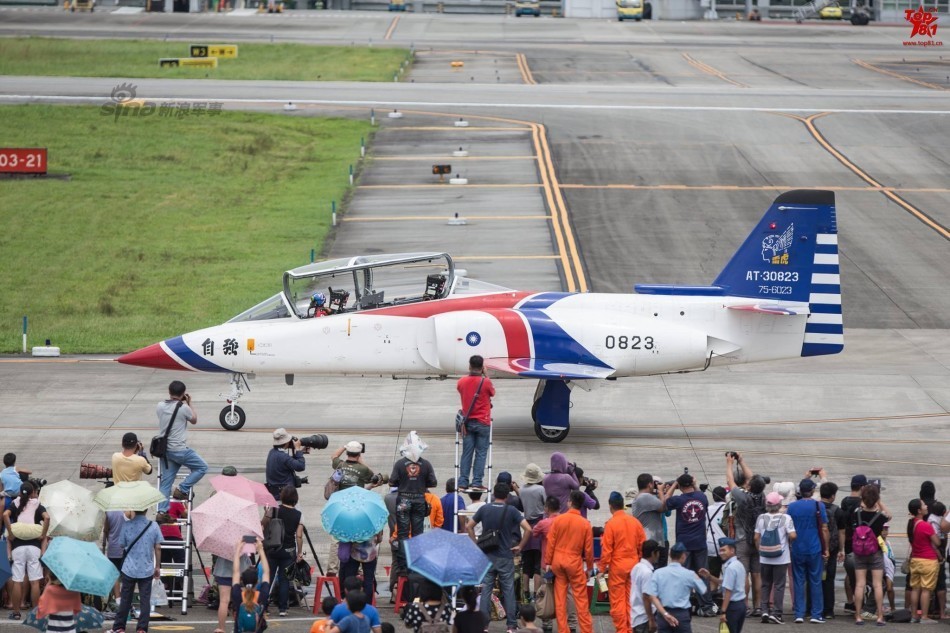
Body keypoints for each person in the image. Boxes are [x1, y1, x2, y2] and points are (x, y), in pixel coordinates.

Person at [467, 483, 530, 633]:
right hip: (505, 556)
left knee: (486, 590)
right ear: (507, 496)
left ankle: (483, 625)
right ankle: (511, 625)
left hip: (487, 555)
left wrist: (476, 545)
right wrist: (520, 546)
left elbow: (469, 526)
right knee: (508, 590)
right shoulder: (512, 511)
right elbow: (528, 529)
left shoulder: (484, 509)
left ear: (494, 494)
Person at [660, 473, 714, 616]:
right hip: (700, 542)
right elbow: (700, 495)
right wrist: (695, 484)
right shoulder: (702, 497)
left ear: (680, 486)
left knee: (682, 575)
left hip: (684, 545)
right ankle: (707, 606)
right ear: (691, 484)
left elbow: (665, 502)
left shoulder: (679, 500)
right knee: (703, 574)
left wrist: (673, 486)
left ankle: (682, 605)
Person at [156, 380, 207, 523]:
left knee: (165, 484)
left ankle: (161, 511)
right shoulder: (184, 408)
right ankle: (182, 489)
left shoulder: (160, 406)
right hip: (179, 449)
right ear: (183, 394)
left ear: (169, 391)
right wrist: (189, 403)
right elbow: (194, 420)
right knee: (202, 467)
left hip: (166, 451)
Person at [544, 490, 594, 633]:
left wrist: (548, 562)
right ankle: (586, 630)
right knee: (581, 600)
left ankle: (563, 630)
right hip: (574, 562)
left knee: (560, 600)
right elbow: (589, 550)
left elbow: (551, 542)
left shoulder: (559, 520)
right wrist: (589, 568)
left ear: (570, 502)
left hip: (558, 562)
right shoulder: (585, 524)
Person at [389, 432, 437, 575]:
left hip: (403, 499)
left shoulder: (399, 463)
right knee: (418, 533)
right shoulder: (426, 464)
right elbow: (433, 482)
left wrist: (404, 482)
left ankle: (404, 566)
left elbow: (392, 481)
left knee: (403, 534)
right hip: (419, 500)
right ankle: (416, 564)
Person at [601, 490, 646, 633]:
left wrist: (602, 569)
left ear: (610, 506)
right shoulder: (635, 522)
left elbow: (607, 549)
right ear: (623, 505)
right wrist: (639, 561)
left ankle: (622, 630)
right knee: (631, 600)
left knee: (617, 602)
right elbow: (642, 545)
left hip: (618, 566)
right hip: (633, 565)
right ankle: (631, 628)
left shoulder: (611, 524)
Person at [725, 454, 765, 617]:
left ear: (748, 486)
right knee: (757, 574)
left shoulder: (743, 497)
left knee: (744, 575)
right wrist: (742, 461)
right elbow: (754, 480)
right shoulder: (762, 497)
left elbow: (730, 482)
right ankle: (758, 606)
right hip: (758, 540)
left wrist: (730, 464)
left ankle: (745, 605)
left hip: (742, 540)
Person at [3, 482, 49, 620]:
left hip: (17, 546)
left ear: (20, 493)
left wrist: (10, 532)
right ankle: (36, 614)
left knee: (17, 580)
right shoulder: (37, 505)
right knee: (35, 581)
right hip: (34, 546)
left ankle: (16, 613)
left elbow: (5, 515)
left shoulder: (15, 504)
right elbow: (47, 518)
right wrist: (43, 534)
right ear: (33, 493)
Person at [112, 509, 163, 633]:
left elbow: (121, 545)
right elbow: (158, 547)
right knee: (145, 600)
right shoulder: (154, 525)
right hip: (146, 568)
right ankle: (141, 628)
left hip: (129, 568)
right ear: (146, 510)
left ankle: (119, 627)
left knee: (125, 598)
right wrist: (157, 566)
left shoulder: (127, 525)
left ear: (134, 510)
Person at [786, 478, 829, 623]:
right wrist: (826, 548)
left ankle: (799, 613)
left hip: (797, 547)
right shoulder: (818, 505)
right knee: (815, 581)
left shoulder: (791, 507)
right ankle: (816, 614)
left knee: (799, 580)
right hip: (814, 547)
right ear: (811, 491)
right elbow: (824, 528)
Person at [849, 484, 890, 625]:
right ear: (876, 498)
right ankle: (879, 616)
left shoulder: (856, 514)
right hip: (875, 552)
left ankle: (858, 616)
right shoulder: (881, 517)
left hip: (859, 553)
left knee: (860, 584)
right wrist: (879, 501)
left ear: (863, 498)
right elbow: (889, 516)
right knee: (877, 585)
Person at [645, 542, 708, 633]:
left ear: (670, 555)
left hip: (663, 615)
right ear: (683, 556)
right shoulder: (689, 574)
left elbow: (651, 596)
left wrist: (665, 614)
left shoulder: (658, 573)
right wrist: (701, 577)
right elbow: (704, 590)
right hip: (682, 615)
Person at [754, 491, 796, 624]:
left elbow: (756, 537)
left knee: (766, 584)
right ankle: (777, 613)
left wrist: (760, 550)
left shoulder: (761, 518)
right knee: (779, 585)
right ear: (778, 505)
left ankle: (765, 610)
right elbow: (793, 535)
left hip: (764, 557)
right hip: (781, 557)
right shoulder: (786, 518)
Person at [456, 355, 495, 493]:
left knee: (466, 453)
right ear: (482, 366)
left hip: (467, 422)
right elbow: (492, 393)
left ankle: (462, 482)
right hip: (483, 422)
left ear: (469, 366)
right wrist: (486, 375)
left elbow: (461, 390)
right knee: (481, 453)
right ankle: (477, 482)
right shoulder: (486, 382)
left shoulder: (461, 382)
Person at [264, 486, 304, 617]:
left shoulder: (275, 509)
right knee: (285, 579)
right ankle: (282, 608)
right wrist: (300, 552)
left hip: (273, 548)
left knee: (268, 578)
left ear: (282, 496)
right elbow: (299, 536)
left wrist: (266, 513)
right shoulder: (298, 514)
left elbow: (263, 524)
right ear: (295, 498)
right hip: (289, 550)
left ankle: (263, 606)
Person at [699, 538, 746, 633]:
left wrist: (723, 611)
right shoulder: (738, 564)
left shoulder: (730, 568)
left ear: (732, 550)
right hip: (741, 605)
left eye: (724, 550)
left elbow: (728, 591)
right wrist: (709, 577)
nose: (721, 553)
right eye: (720, 550)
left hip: (732, 607)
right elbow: (724, 582)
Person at [907, 498, 941, 624]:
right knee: (926, 590)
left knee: (915, 589)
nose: (926, 506)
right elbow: (937, 542)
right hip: (928, 560)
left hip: (915, 559)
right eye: (923, 505)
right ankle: (925, 617)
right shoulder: (925, 525)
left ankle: (914, 615)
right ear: (919, 510)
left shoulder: (912, 523)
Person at [839, 474, 867, 615]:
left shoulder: (844, 501)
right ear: (862, 487)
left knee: (849, 573)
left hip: (847, 540)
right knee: (861, 573)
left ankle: (850, 602)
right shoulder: (862, 503)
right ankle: (859, 603)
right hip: (860, 541)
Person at [231, 538, 271, 633]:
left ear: (241, 581)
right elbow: (266, 572)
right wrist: (261, 550)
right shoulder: (262, 595)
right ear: (257, 581)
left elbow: (235, 572)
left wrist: (237, 551)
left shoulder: (237, 594)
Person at [519, 464, 546, 602]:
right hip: (539, 524)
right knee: (537, 563)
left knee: (526, 563)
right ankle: (536, 594)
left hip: (526, 526)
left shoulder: (522, 489)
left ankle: (525, 594)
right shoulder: (541, 489)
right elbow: (546, 505)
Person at [632, 474, 670, 569]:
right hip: (650, 541)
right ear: (650, 485)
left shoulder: (640, 497)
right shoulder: (645, 497)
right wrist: (661, 491)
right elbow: (663, 507)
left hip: (649, 540)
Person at [266, 428, 307, 501]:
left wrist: (299, 453)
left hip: (275, 493)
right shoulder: (283, 457)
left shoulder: (272, 452)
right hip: (285, 496)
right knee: (296, 513)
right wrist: (298, 449)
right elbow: (300, 466)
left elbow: (285, 462)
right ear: (286, 442)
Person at [819, 481, 841, 620]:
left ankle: (813, 608)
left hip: (817, 548)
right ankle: (828, 610)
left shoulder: (815, 507)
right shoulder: (837, 510)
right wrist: (841, 549)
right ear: (833, 496)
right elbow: (842, 532)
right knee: (829, 579)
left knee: (815, 578)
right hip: (832, 549)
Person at [342, 531, 382, 604]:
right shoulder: (375, 521)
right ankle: (367, 605)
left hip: (354, 552)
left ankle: (350, 603)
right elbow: (379, 539)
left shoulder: (353, 520)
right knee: (369, 581)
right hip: (370, 553)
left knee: (350, 578)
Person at [631, 540, 661, 633]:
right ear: (653, 553)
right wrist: (651, 619)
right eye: (658, 552)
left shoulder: (637, 567)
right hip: (644, 618)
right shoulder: (647, 572)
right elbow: (646, 597)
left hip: (636, 615)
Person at [705, 487, 728, 579]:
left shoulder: (707, 509)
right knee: (728, 574)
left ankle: (713, 592)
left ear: (713, 497)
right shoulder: (728, 509)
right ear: (725, 496)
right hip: (726, 545)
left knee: (713, 575)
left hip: (711, 543)